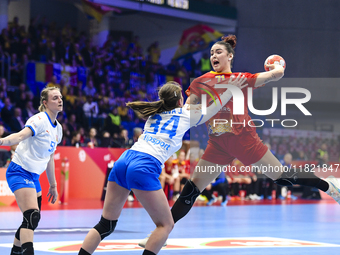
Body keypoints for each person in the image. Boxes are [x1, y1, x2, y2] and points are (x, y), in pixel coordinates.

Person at [139, 34, 340, 247]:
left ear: (230, 56)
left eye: (218, 52)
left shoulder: (240, 79)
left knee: (282, 178)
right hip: (218, 145)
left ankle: (327, 184)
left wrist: (277, 71)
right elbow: (189, 109)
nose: (213, 56)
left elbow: (269, 77)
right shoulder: (201, 82)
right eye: (211, 53)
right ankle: (159, 234)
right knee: (191, 190)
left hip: (246, 141)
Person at [77, 77, 246, 255]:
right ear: (180, 101)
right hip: (144, 165)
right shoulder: (186, 116)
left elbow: (181, 108)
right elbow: (213, 108)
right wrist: (231, 90)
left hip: (124, 160)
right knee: (166, 225)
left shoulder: (154, 113)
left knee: (106, 224)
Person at [1, 87, 63, 255]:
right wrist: (2, 141)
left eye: (60, 97)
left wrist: (53, 185)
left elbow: (50, 157)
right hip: (19, 171)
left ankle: (15, 252)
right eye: (55, 97)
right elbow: (20, 136)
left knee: (31, 221)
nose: (60, 100)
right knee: (32, 216)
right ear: (45, 103)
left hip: (34, 176)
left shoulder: (58, 129)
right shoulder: (39, 119)